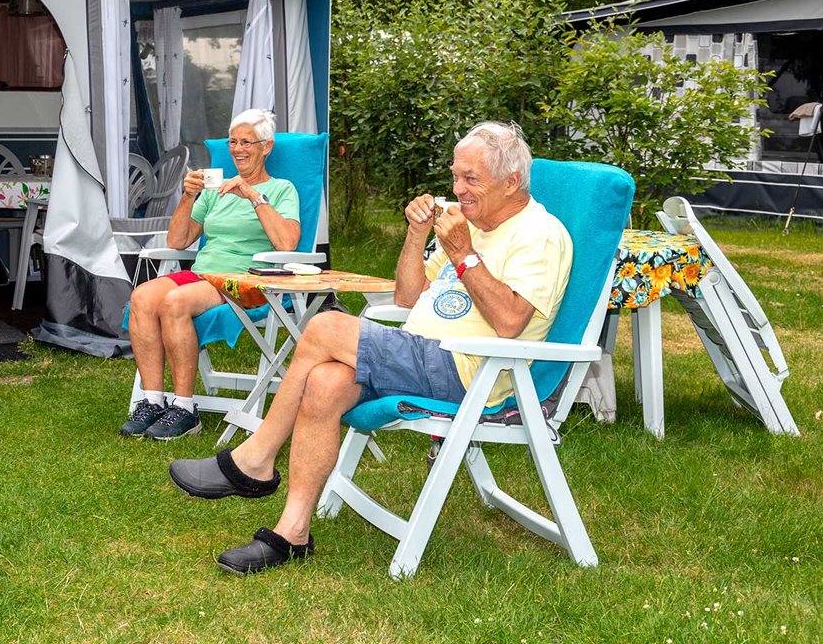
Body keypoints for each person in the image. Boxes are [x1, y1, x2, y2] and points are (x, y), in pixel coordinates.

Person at [167, 121, 573, 574]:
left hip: (467, 371)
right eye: (456, 176)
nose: (458, 189)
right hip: (417, 352)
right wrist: (418, 236)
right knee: (324, 381)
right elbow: (405, 297)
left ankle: (255, 459)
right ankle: (292, 533)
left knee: (324, 328)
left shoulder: (541, 234)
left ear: (512, 181)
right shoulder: (472, 225)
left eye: (470, 179)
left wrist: (463, 255)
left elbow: (511, 322)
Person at [121, 108, 301, 440]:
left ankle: (186, 408)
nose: (237, 149)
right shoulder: (214, 189)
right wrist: (188, 196)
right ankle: (152, 401)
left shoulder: (281, 189)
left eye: (247, 142)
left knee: (174, 302)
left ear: (267, 147)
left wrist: (251, 195)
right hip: (204, 275)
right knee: (143, 296)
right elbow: (178, 240)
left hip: (247, 280)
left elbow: (287, 242)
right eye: (233, 141)